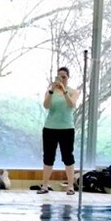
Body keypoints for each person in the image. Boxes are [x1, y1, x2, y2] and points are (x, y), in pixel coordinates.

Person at [38, 66, 80, 195]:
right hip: (50, 128)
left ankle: (70, 186)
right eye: (59, 77)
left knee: (68, 156)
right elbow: (46, 105)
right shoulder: (50, 91)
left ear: (68, 78)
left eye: (64, 77)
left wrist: (64, 91)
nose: (61, 79)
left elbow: (72, 105)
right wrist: (52, 90)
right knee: (48, 156)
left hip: (66, 128)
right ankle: (45, 185)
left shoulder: (73, 91)